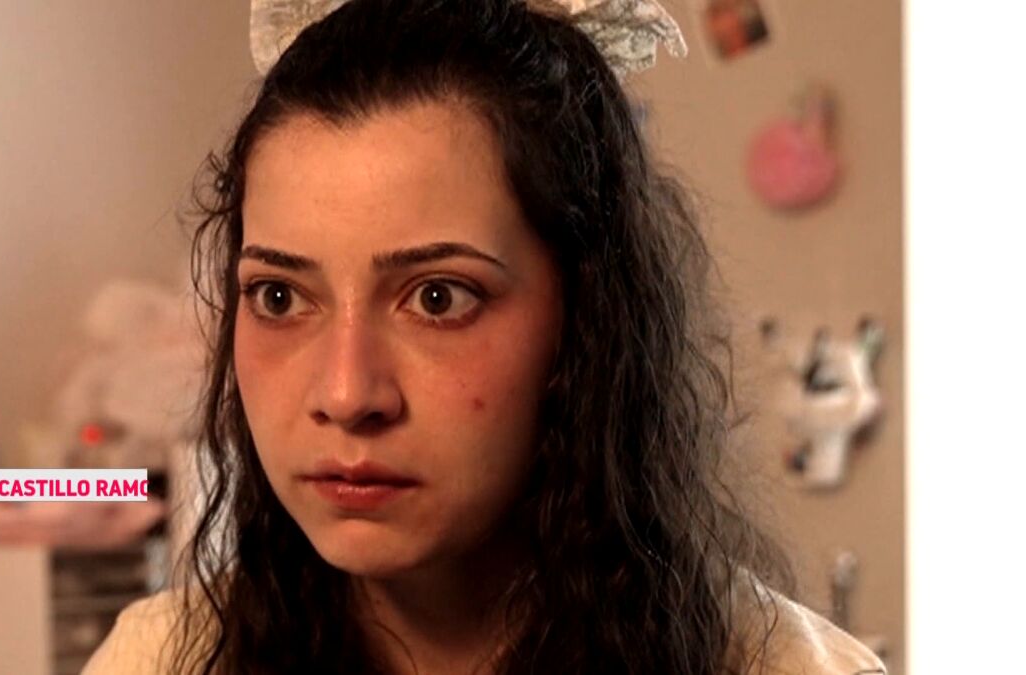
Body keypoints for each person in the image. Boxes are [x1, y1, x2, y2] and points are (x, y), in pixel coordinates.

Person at [85, 0, 886, 672]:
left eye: (437, 298)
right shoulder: (160, 660)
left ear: (587, 320)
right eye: (280, 296)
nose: (346, 393)